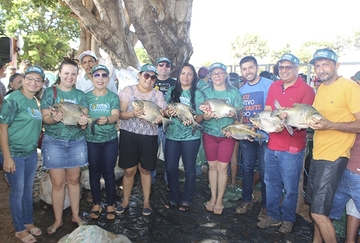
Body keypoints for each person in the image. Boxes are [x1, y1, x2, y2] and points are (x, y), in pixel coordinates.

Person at [305, 48, 360, 243]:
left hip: (334, 156)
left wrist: (331, 125)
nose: (321, 69)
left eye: (325, 64)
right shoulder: (321, 89)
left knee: (319, 213)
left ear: (336, 65)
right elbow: (317, 119)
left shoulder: (350, 87)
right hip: (318, 154)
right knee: (315, 209)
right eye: (317, 65)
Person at [257, 53, 315, 234]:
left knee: (290, 188)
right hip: (272, 144)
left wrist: (286, 119)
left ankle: (288, 218)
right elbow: (268, 109)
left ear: (297, 69)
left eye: (288, 67)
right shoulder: (274, 86)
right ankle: (273, 215)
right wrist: (263, 121)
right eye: (281, 67)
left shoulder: (306, 90)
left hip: (292, 148)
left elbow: (305, 119)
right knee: (270, 182)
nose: (284, 70)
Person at [41, 58, 88, 234]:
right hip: (54, 142)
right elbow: (45, 118)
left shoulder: (81, 95)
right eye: (66, 73)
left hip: (76, 142)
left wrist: (83, 123)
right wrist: (54, 119)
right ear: (59, 73)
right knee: (58, 184)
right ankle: (58, 220)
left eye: (73, 74)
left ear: (77, 76)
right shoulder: (49, 93)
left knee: (74, 180)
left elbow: (82, 122)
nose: (70, 77)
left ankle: (76, 216)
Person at [0, 65, 44, 243]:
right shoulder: (13, 99)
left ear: (41, 84)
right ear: (24, 80)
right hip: (14, 154)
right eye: (30, 78)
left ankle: (28, 222)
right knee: (17, 192)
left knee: (28, 190)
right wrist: (7, 157)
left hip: (31, 153)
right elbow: (2, 129)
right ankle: (19, 229)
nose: (33, 82)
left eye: (38, 80)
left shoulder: (34, 101)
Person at [116, 64, 167, 216]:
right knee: (129, 171)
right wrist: (132, 114)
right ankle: (125, 201)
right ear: (139, 75)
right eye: (146, 75)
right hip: (129, 135)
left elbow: (162, 113)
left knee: (145, 170)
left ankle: (146, 202)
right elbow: (120, 114)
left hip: (149, 136)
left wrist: (160, 118)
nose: (149, 79)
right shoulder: (128, 90)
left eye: (153, 77)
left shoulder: (157, 95)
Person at [202, 62, 243, 215]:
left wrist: (235, 116)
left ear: (226, 75)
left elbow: (240, 118)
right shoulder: (205, 92)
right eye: (214, 73)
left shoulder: (234, 93)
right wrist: (206, 116)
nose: (217, 76)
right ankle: (212, 197)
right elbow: (202, 117)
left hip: (227, 135)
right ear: (210, 76)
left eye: (220, 73)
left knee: (223, 168)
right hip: (209, 134)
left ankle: (220, 199)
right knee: (212, 167)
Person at [163, 63, 204, 211]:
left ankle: (187, 199)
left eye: (189, 74)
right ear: (178, 75)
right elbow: (165, 111)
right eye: (183, 73)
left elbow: (200, 116)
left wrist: (193, 121)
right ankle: (174, 197)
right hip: (172, 135)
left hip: (191, 137)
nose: (185, 77)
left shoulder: (198, 94)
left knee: (189, 169)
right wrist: (168, 113)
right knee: (170, 167)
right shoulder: (172, 91)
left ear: (194, 77)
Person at [236, 56, 273, 220]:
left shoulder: (268, 85)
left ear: (256, 67)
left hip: (265, 137)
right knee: (247, 169)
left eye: (250, 67)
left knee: (265, 172)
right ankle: (246, 200)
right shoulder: (241, 90)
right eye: (244, 69)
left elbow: (272, 110)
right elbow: (241, 114)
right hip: (247, 138)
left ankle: (266, 205)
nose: (248, 71)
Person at [85, 64, 120, 221]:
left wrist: (108, 120)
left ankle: (111, 204)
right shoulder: (85, 97)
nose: (100, 78)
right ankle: (97, 203)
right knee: (94, 172)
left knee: (108, 172)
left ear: (108, 78)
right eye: (97, 75)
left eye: (104, 75)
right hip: (91, 141)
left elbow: (115, 115)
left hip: (110, 141)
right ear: (91, 78)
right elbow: (83, 116)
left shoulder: (113, 97)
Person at [151, 57, 176, 186]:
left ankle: (169, 181)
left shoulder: (175, 83)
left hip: (169, 123)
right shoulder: (150, 79)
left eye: (167, 65)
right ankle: (150, 180)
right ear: (157, 67)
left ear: (170, 68)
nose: (164, 67)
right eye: (161, 65)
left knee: (169, 154)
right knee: (150, 152)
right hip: (153, 123)